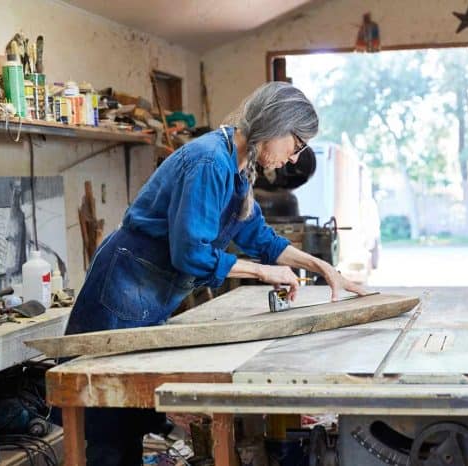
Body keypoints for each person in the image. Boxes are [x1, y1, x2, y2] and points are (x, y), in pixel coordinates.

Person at [62, 81, 366, 465]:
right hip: (122, 290)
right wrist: (263, 273)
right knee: (108, 418)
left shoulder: (237, 168)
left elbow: (259, 237)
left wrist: (321, 267)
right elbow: (191, 255)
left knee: (131, 419)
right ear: (275, 125)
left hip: (147, 292)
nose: (294, 158)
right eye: (297, 143)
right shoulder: (210, 162)